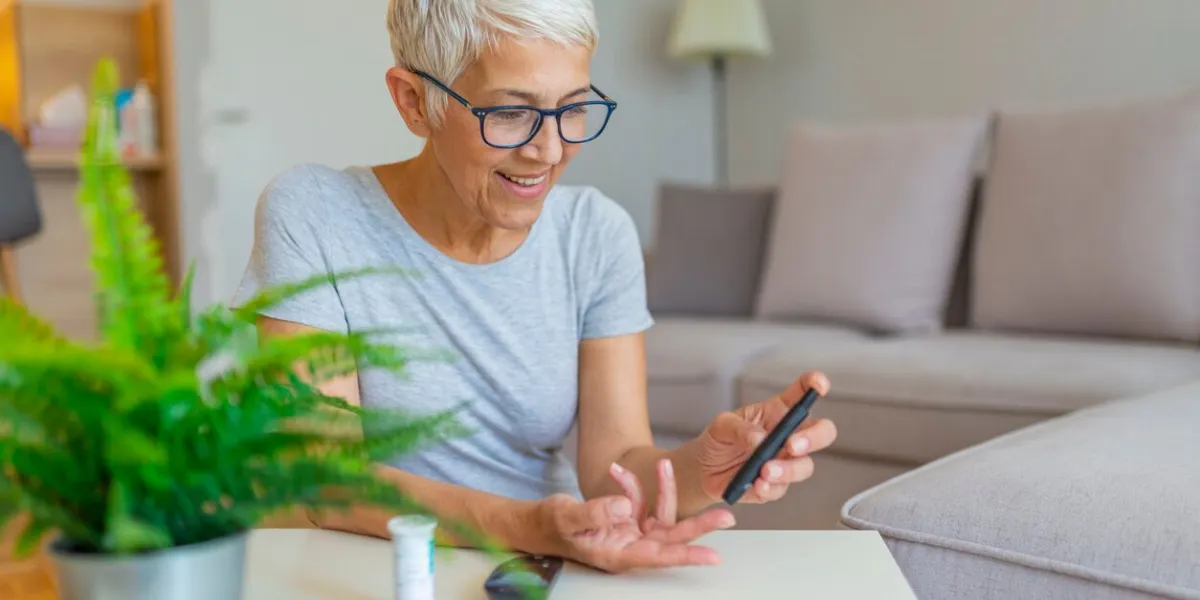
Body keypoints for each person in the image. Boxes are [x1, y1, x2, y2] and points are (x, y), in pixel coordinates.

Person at [234, 0, 838, 574]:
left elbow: (615, 469)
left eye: (573, 108)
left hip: (544, 569)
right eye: (509, 113)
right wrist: (529, 526)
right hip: (375, 572)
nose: (549, 150)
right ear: (414, 102)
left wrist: (703, 471)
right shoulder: (316, 214)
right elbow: (326, 480)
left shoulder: (594, 233)